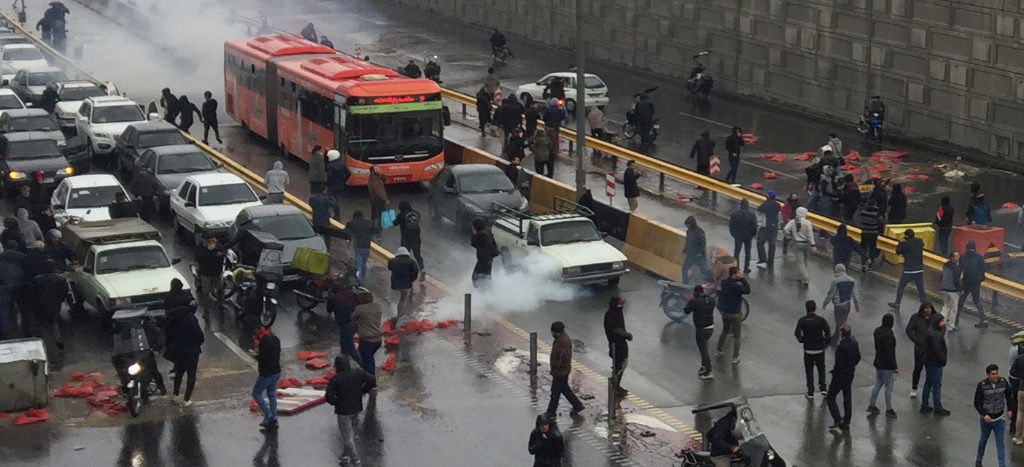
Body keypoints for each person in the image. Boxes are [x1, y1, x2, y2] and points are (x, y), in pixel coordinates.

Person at [325, 356, 376, 467]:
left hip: (343, 412)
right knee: (350, 434)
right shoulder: (358, 373)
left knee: (347, 436)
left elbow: (328, 397)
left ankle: (356, 460)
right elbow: (372, 380)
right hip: (356, 408)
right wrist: (363, 390)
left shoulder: (335, 379)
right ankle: (344, 456)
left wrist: (336, 402)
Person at [163, 279, 201, 406]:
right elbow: (199, 336)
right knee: (191, 374)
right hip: (192, 351)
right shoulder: (190, 319)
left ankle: (175, 395)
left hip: (178, 350)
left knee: (179, 372)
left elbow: (169, 335)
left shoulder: (172, 319)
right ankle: (186, 399)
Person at [975, 363, 1014, 467]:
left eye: (996, 373)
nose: (995, 376)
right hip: (986, 419)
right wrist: (984, 414)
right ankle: (979, 459)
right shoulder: (982, 385)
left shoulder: (1003, 382)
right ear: (988, 375)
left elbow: (1009, 396)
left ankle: (1002, 465)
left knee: (1000, 443)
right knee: (983, 439)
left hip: (999, 418)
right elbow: (977, 402)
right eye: (993, 374)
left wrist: (1010, 409)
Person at [826, 324, 861, 431]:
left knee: (830, 397)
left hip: (840, 375)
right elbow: (858, 357)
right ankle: (847, 420)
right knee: (847, 396)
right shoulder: (854, 343)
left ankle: (837, 419)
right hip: (850, 374)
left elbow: (839, 364)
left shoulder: (841, 347)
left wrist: (834, 372)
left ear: (841, 334)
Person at [546, 321, 584, 416]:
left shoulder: (563, 342)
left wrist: (556, 369)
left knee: (555, 392)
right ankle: (577, 405)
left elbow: (563, 358)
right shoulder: (560, 339)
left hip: (560, 372)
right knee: (564, 389)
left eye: (553, 332)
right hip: (561, 371)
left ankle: (551, 412)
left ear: (556, 332)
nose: (552, 334)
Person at [794, 300, 830, 398]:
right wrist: (826, 343)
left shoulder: (802, 320)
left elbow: (797, 332)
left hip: (808, 349)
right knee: (821, 368)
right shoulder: (821, 320)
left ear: (806, 309)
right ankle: (823, 388)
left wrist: (802, 340)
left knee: (809, 371)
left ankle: (810, 391)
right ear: (815, 308)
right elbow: (827, 332)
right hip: (819, 349)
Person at [867, 313, 898, 418]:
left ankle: (872, 404)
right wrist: (895, 367)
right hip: (887, 365)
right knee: (888, 387)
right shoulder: (889, 335)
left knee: (878, 384)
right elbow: (890, 352)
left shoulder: (877, 331)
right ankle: (889, 409)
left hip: (878, 362)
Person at [716, 267, 750, 364]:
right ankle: (735, 357)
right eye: (738, 272)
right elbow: (748, 290)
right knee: (737, 336)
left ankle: (719, 349)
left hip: (725, 313)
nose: (740, 273)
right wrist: (743, 279)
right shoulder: (737, 286)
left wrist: (737, 278)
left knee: (725, 331)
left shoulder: (724, 283)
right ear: (734, 274)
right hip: (735, 313)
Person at [906, 303, 939, 398]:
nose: (928, 310)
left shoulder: (935, 317)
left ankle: (931, 389)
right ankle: (914, 387)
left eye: (930, 308)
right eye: (926, 308)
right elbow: (909, 330)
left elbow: (942, 327)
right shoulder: (915, 317)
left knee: (931, 370)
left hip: (932, 349)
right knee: (918, 368)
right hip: (920, 348)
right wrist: (917, 340)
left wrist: (937, 339)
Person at [30, 260, 65, 350]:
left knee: (41, 324)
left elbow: (33, 293)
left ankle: (44, 342)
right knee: (53, 321)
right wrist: (59, 301)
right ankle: (57, 339)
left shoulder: (37, 279)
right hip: (55, 304)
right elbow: (64, 292)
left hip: (41, 304)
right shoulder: (61, 279)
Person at [888, 229, 926, 311]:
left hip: (909, 269)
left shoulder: (905, 244)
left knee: (901, 286)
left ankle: (897, 303)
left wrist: (900, 242)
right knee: (921, 289)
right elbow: (922, 244)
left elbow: (898, 251)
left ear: (906, 236)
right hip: (919, 269)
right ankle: (925, 306)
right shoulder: (919, 241)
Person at [685, 285, 717, 380]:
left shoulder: (695, 301)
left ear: (695, 293)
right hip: (710, 327)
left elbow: (686, 310)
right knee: (704, 347)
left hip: (701, 329)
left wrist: (691, 300)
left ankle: (709, 371)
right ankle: (703, 367)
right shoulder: (711, 300)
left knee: (703, 350)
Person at [252, 326, 281, 430]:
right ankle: (274, 416)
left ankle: (268, 414)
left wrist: (256, 352)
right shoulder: (276, 339)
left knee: (256, 393)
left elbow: (262, 358)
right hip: (276, 371)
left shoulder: (263, 342)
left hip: (266, 374)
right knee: (271, 394)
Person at [823, 263, 860, 344]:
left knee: (840, 325)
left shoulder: (835, 281)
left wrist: (825, 304)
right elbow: (855, 293)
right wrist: (856, 304)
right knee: (842, 322)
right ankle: (835, 338)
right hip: (848, 305)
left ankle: (846, 340)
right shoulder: (852, 280)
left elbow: (831, 294)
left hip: (839, 306)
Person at [921, 315, 950, 416]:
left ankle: (924, 405)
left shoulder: (930, 332)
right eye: (942, 321)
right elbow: (937, 350)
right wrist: (943, 359)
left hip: (928, 362)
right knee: (937, 386)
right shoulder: (936, 335)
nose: (943, 323)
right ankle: (938, 408)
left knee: (928, 383)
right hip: (935, 363)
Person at [327, 282, 362, 367]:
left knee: (350, 349)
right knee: (344, 344)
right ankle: (344, 363)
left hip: (345, 324)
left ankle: (363, 365)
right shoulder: (352, 294)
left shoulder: (333, 298)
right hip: (356, 322)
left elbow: (329, 310)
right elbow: (360, 303)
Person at [603, 297, 631, 397]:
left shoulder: (618, 313)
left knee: (623, 365)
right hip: (616, 345)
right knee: (618, 367)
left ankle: (617, 385)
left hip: (622, 344)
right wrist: (627, 335)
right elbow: (616, 329)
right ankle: (614, 387)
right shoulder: (610, 315)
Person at [958, 240, 988, 328]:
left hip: (966, 282)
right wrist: (979, 279)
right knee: (976, 300)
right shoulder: (979, 257)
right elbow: (983, 269)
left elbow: (960, 269)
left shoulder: (963, 257)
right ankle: (983, 319)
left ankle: (955, 320)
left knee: (961, 300)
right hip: (976, 283)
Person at [783, 207, 817, 286]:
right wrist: (813, 245)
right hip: (807, 244)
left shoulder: (792, 222)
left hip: (797, 243)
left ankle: (803, 276)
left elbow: (785, 229)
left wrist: (790, 238)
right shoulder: (808, 223)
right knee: (805, 261)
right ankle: (805, 278)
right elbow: (810, 235)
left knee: (800, 262)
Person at [386, 247, 419, 326]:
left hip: (395, 285)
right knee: (402, 301)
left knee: (394, 302)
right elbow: (415, 271)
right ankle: (398, 316)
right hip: (407, 286)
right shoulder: (412, 262)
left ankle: (394, 316)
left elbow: (389, 268)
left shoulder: (393, 261)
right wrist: (412, 279)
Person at [343, 210, 377, 284]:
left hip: (358, 246)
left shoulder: (352, 223)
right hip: (367, 246)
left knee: (358, 264)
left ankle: (359, 281)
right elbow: (375, 231)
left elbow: (345, 232)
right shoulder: (369, 222)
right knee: (363, 264)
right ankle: (362, 277)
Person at [351, 296, 382, 375]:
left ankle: (370, 378)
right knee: (370, 358)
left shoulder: (360, 308)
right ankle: (371, 374)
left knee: (367, 360)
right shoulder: (377, 307)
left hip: (366, 339)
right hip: (378, 339)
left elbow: (353, 318)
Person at [395, 201, 423, 278]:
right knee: (417, 255)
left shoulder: (401, 214)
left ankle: (406, 271)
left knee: (404, 255)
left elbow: (395, 223)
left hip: (406, 238)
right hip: (416, 238)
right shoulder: (416, 213)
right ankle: (422, 269)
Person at [728, 199, 757, 273]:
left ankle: (736, 268)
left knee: (737, 252)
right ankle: (746, 267)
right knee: (747, 251)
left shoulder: (735, 214)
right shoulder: (752, 214)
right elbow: (754, 226)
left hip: (738, 235)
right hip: (748, 235)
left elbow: (731, 225)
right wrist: (753, 234)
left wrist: (733, 234)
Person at [681, 216, 712, 283]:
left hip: (699, 256)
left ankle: (712, 279)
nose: (687, 226)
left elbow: (703, 243)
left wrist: (700, 253)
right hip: (691, 255)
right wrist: (685, 250)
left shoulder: (699, 232)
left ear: (692, 224)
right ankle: (685, 283)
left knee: (704, 270)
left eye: (688, 225)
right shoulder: (688, 231)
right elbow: (688, 242)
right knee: (684, 268)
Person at [194, 234, 225, 301]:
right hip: (206, 273)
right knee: (206, 290)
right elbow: (198, 258)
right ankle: (206, 308)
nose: (211, 242)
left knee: (220, 288)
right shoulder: (200, 248)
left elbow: (223, 253)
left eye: (212, 241)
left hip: (217, 272)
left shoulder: (218, 246)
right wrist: (211, 252)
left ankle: (220, 303)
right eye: (209, 241)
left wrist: (215, 250)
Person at [470, 218, 498, 288]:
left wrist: (474, 234)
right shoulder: (488, 231)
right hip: (489, 260)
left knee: (476, 277)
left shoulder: (480, 234)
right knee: (486, 278)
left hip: (483, 260)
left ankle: (481, 293)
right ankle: (487, 294)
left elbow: (473, 243)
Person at [756, 191, 780, 268]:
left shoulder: (765, 205)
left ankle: (763, 259)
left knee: (760, 242)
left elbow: (759, 209)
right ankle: (771, 261)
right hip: (774, 227)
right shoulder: (777, 205)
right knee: (772, 245)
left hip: (765, 227)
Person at [941, 252, 963, 332]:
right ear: (952, 257)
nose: (958, 257)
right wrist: (960, 289)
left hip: (944, 288)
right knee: (954, 308)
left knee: (946, 306)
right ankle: (951, 326)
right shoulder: (956, 267)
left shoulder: (945, 265)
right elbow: (956, 280)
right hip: (953, 290)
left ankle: (941, 322)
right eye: (957, 256)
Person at [859, 198, 882, 270]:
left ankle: (863, 264)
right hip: (873, 233)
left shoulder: (863, 211)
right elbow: (880, 221)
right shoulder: (876, 213)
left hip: (864, 232)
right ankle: (870, 264)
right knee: (872, 248)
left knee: (863, 248)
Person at [368, 166, 388, 232]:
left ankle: (372, 228)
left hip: (375, 199)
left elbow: (385, 179)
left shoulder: (377, 176)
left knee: (374, 215)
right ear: (373, 171)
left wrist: (381, 173)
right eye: (377, 169)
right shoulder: (373, 179)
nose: (379, 169)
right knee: (379, 216)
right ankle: (378, 233)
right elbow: (378, 191)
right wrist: (385, 199)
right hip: (378, 200)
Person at [1011, 348, 1024, 445]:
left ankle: (1018, 437)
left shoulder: (1020, 358)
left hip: (1022, 388)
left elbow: (1012, 372)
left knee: (1020, 413)